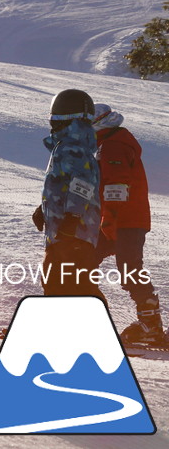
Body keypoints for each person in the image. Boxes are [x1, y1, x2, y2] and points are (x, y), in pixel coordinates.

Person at [92, 103, 163, 343]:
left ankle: (150, 324)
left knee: (129, 268)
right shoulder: (111, 142)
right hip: (122, 217)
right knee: (86, 258)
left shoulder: (113, 145)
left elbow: (116, 185)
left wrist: (109, 220)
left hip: (125, 219)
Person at [32, 89, 104, 298]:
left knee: (71, 286)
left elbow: (82, 183)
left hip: (73, 234)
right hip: (65, 232)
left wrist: (72, 218)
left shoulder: (74, 147)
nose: (53, 122)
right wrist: (43, 209)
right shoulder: (68, 146)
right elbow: (62, 184)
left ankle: (91, 328)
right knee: (62, 283)